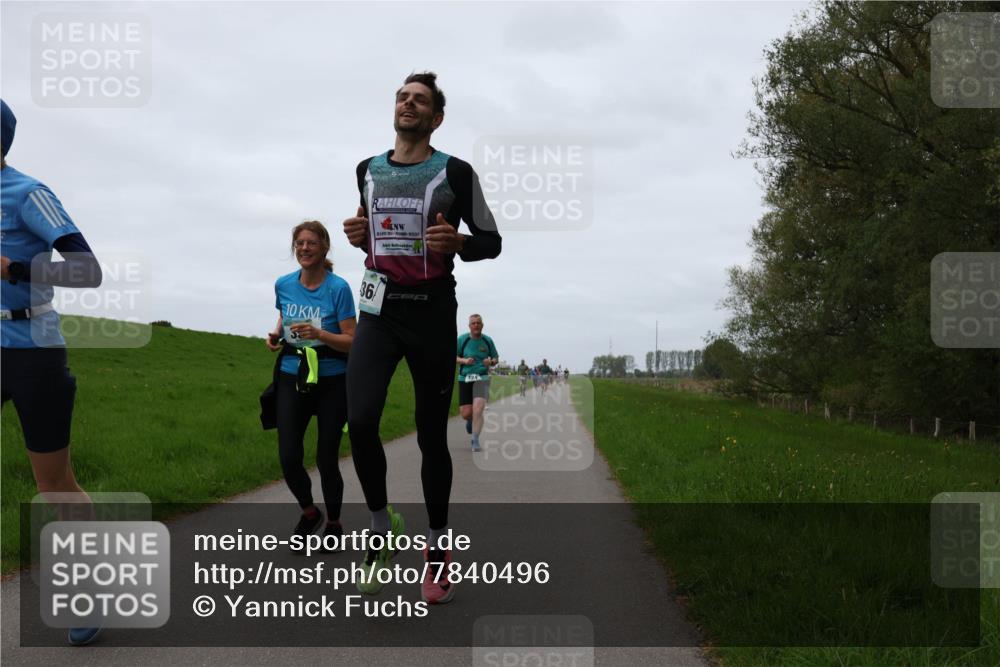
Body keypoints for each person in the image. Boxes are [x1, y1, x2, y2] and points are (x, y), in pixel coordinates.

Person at [341, 72, 501, 604]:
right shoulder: (366, 170)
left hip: (431, 312)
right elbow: (374, 236)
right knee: (361, 419)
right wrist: (359, 237)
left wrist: (460, 242)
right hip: (378, 312)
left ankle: (437, 548)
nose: (408, 104)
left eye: (420, 100)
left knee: (432, 436)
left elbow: (493, 241)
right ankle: (380, 529)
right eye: (402, 97)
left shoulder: (456, 172)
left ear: (436, 118)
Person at [0, 99, 104, 646]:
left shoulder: (28, 194)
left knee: (53, 484)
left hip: (32, 351)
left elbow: (87, 270)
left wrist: (15, 268)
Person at [265, 221, 355, 551]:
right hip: (293, 374)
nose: (304, 248)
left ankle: (333, 523)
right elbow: (285, 316)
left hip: (332, 378)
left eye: (311, 243)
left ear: (324, 247)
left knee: (326, 459)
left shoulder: (338, 288)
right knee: (289, 455)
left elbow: (352, 340)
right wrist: (277, 334)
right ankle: (309, 512)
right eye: (300, 243)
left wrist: (320, 335)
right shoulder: (283, 284)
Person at [456, 313, 498, 452]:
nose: (476, 325)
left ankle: (475, 440)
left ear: (482, 325)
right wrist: (464, 360)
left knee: (478, 409)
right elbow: (453, 356)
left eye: (478, 323)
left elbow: (495, 358)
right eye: (473, 323)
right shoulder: (462, 339)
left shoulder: (487, 340)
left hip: (482, 378)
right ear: (469, 326)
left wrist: (490, 362)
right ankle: (470, 420)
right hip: (465, 378)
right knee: (466, 413)